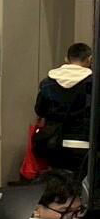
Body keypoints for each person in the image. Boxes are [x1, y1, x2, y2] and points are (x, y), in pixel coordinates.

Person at [35, 43, 93, 174]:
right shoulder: (93, 83)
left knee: (57, 179)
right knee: (82, 180)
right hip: (84, 143)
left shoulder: (48, 82)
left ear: (66, 59)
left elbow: (40, 110)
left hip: (53, 142)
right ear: (89, 59)